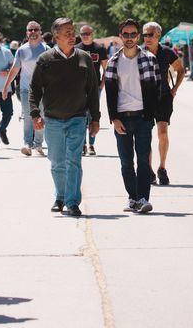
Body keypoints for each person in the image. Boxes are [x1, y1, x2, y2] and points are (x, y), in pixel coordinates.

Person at [30, 18, 100, 217]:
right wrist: (35, 113)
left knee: (74, 161)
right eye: (67, 32)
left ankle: (72, 201)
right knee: (57, 162)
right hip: (52, 120)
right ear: (56, 37)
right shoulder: (45, 60)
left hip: (77, 118)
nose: (72, 35)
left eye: (73, 31)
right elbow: (35, 90)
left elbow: (93, 91)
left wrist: (95, 118)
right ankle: (60, 196)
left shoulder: (84, 58)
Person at [105, 19, 162, 214]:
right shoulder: (113, 62)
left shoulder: (149, 59)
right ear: (120, 36)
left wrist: (151, 115)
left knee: (144, 160)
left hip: (143, 117)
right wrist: (114, 118)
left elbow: (156, 88)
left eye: (133, 34)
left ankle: (143, 198)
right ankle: (133, 197)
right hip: (123, 118)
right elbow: (110, 93)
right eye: (125, 34)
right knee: (126, 161)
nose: (129, 38)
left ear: (138, 36)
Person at [142, 22, 185, 185]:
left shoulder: (166, 52)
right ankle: (149, 170)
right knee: (145, 136)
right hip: (144, 99)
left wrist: (174, 89)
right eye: (145, 34)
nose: (147, 38)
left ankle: (162, 167)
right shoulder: (139, 52)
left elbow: (181, 70)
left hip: (163, 97)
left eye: (150, 34)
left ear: (158, 35)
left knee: (162, 133)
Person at [2, 21, 49, 156]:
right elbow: (15, 69)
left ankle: (38, 145)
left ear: (40, 32)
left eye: (35, 30)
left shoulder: (46, 49)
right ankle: (27, 144)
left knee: (40, 116)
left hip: (42, 89)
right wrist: (6, 87)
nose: (33, 32)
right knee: (28, 116)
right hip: (25, 89)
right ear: (27, 32)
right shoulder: (22, 50)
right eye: (30, 30)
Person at [75, 24, 108, 156]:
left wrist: (102, 85)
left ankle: (91, 145)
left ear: (92, 34)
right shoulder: (76, 49)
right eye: (83, 34)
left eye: (88, 33)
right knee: (81, 116)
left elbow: (106, 68)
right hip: (79, 89)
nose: (85, 36)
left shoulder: (99, 48)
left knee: (92, 115)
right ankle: (82, 144)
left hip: (95, 88)